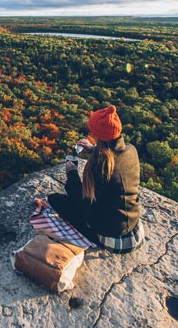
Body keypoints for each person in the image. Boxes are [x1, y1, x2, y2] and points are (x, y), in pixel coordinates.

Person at [45, 105, 145, 253]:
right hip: (134, 228)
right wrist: (93, 148)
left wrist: (71, 172)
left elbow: (81, 199)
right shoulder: (131, 150)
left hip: (113, 239)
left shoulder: (100, 165)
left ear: (97, 134)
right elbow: (113, 157)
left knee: (55, 199)